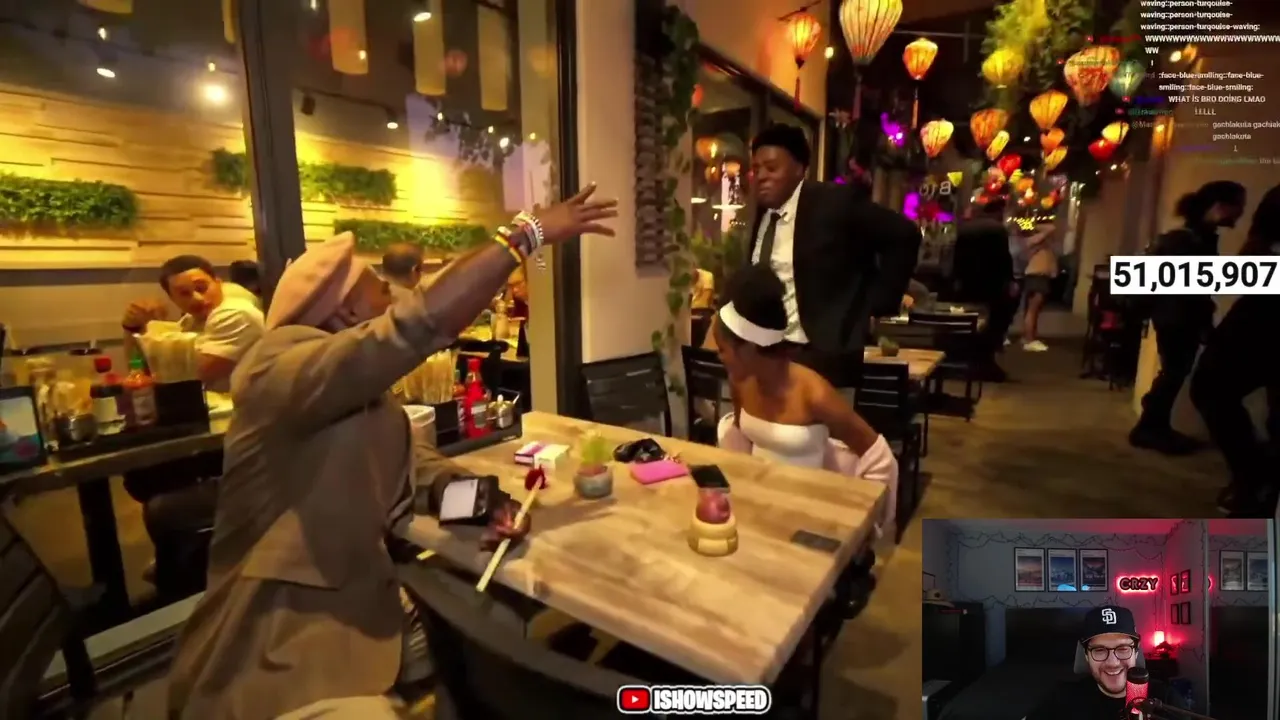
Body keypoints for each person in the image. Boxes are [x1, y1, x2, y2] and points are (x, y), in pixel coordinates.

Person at [166, 186, 616, 719]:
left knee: (492, 623)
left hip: (372, 601)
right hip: (281, 643)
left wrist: (478, 499)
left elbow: (412, 463)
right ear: (347, 310)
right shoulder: (274, 370)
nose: (393, 296)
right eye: (379, 288)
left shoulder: (352, 392)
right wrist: (525, 235)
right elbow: (419, 323)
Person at [746, 124, 920, 392]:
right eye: (756, 169)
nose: (761, 177)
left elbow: (904, 234)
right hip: (769, 356)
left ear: (799, 169)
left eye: (771, 168)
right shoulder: (762, 216)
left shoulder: (834, 203)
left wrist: (877, 303)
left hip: (823, 356)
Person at [712, 264, 893, 471]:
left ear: (748, 347)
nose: (719, 356)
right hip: (757, 490)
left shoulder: (815, 395)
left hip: (809, 491)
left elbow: (880, 458)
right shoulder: (740, 382)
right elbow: (741, 439)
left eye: (722, 349)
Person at [1131, 180, 1246, 455]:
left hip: (1176, 316)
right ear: (1219, 207)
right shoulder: (1189, 239)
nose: (1240, 213)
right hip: (1178, 317)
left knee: (1173, 373)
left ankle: (1153, 427)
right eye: (1237, 206)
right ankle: (1149, 428)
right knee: (1174, 373)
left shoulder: (1193, 236)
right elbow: (1191, 288)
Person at [1191, 183, 1280, 517]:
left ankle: (1256, 479)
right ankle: (1256, 478)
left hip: (1262, 319)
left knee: (1212, 388)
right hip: (1260, 316)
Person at [122, 254, 266, 393]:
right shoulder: (190, 320)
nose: (197, 298)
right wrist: (131, 328)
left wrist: (153, 328)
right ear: (172, 299)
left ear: (218, 283)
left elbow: (183, 376)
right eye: (184, 293)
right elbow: (140, 371)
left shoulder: (235, 313)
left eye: (202, 288)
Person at [1024, 605, 1187, 719]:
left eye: (1123, 649)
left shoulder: (1166, 699)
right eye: (1099, 650)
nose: (1113, 662)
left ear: (1136, 651)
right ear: (1086, 655)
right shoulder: (1062, 699)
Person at [951, 197, 1017, 380]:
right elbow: (1004, 259)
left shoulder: (966, 228)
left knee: (969, 321)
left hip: (967, 283)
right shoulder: (997, 230)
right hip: (992, 283)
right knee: (993, 323)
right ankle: (984, 362)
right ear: (998, 212)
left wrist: (956, 279)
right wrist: (1010, 280)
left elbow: (957, 257)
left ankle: (967, 360)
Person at [1019, 221, 1058, 352]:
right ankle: (1029, 340)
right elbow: (1051, 228)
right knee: (1032, 309)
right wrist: (1037, 225)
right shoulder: (1032, 240)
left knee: (1034, 310)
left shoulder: (1044, 245)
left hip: (1041, 277)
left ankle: (1029, 336)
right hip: (1035, 276)